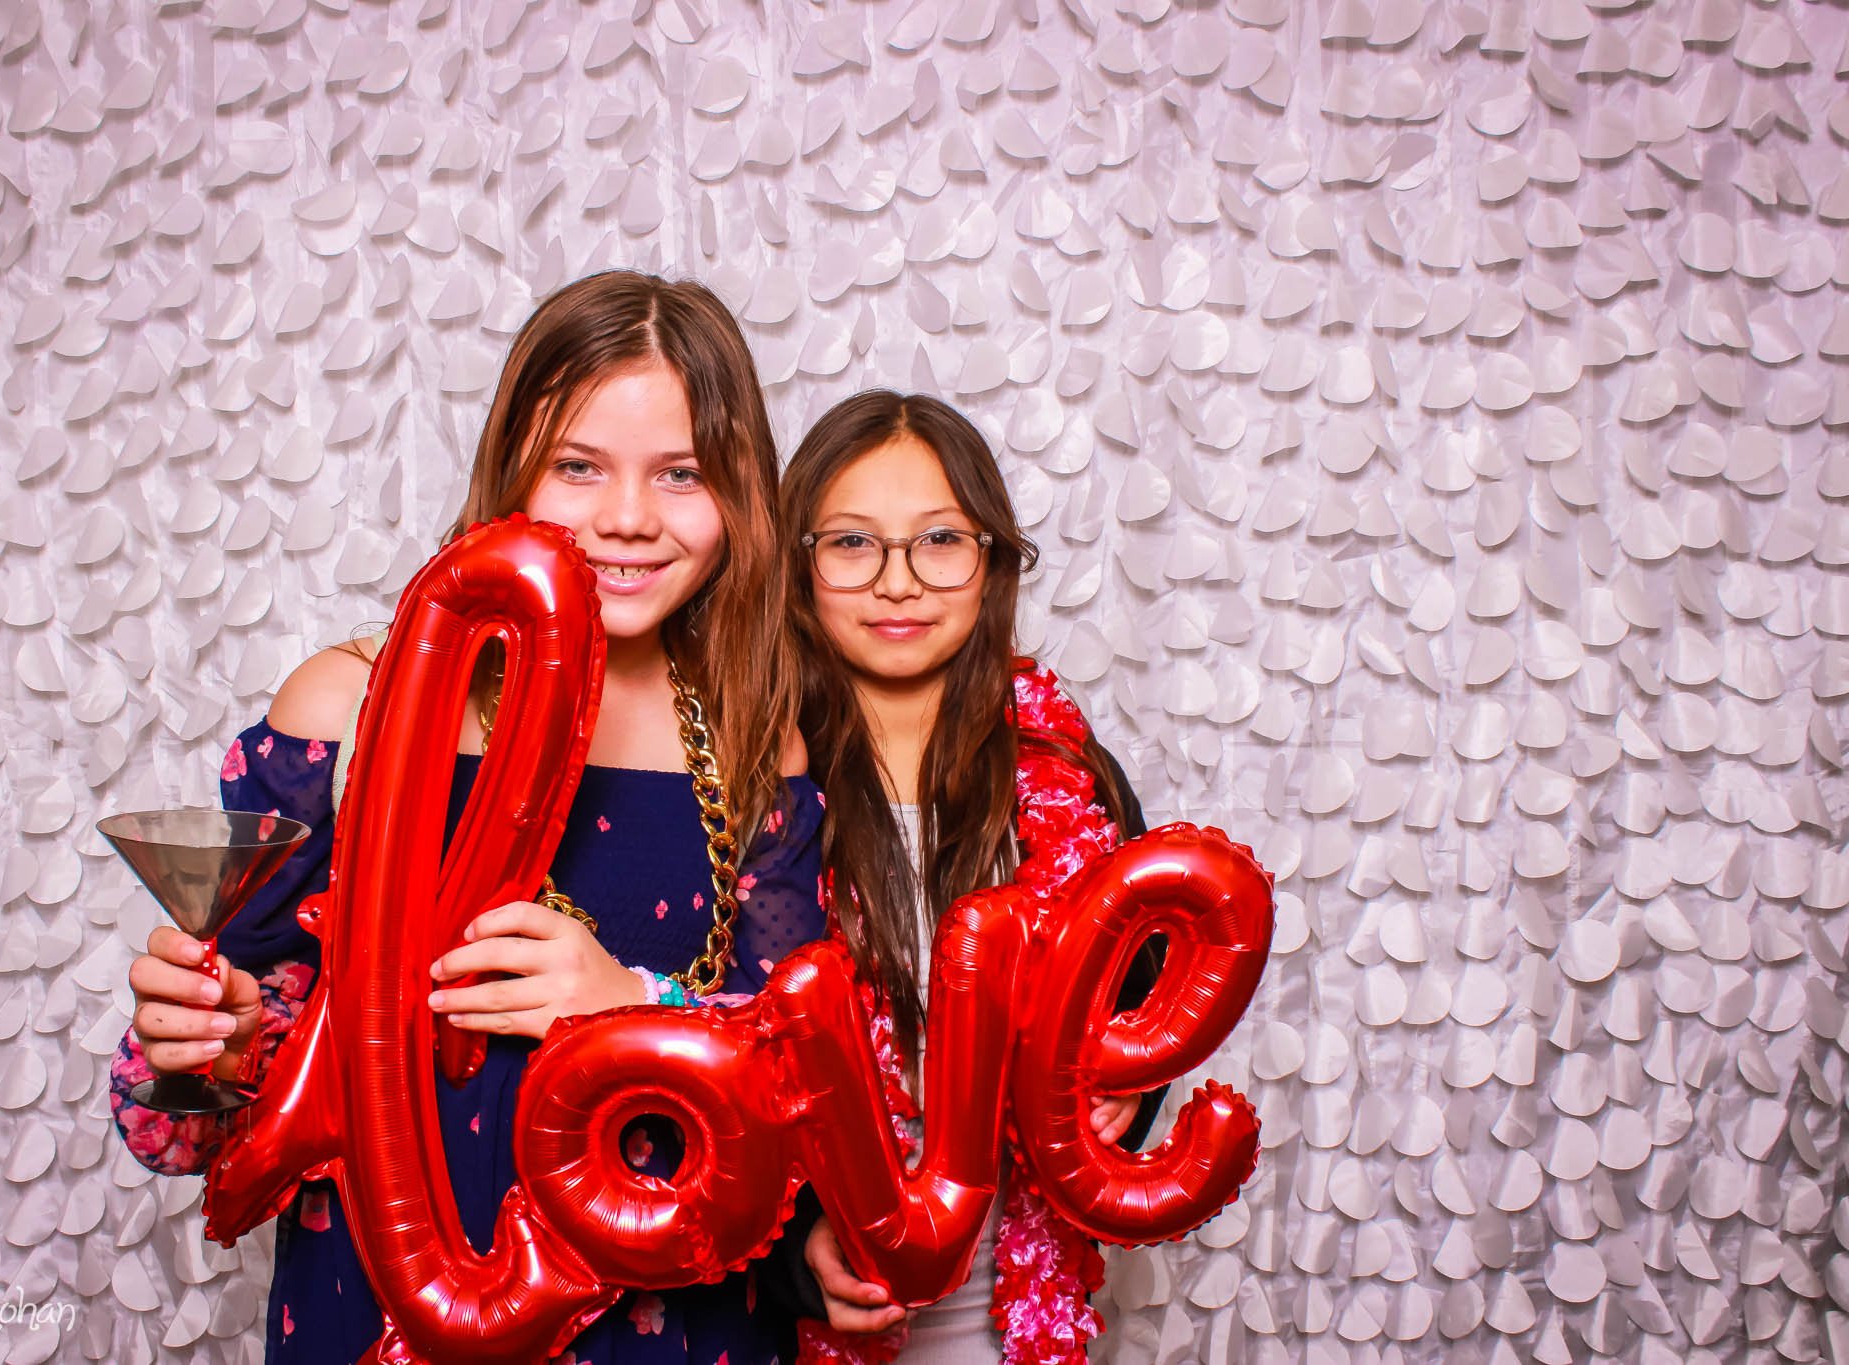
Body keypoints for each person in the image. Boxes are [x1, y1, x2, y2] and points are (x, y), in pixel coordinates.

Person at [109, 271, 825, 1364]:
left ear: (740, 496)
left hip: (664, 1318)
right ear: (512, 477)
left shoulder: (751, 743)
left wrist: (623, 1003)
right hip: (378, 1299)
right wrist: (208, 1041)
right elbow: (223, 1082)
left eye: (680, 474)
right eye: (577, 467)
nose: (627, 517)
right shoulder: (344, 710)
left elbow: (795, 1073)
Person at [775, 391, 1164, 1364]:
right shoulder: (755, 796)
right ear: (798, 565)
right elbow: (720, 1044)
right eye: (852, 544)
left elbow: (1143, 1006)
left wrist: (1122, 1094)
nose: (897, 583)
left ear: (989, 559)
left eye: (939, 540)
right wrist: (795, 1255)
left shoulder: (1071, 780)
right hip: (832, 1306)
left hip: (1011, 1305)